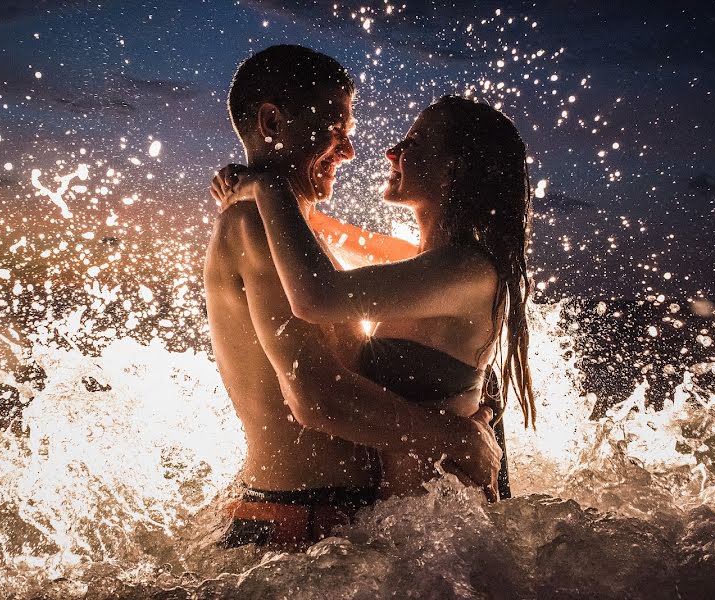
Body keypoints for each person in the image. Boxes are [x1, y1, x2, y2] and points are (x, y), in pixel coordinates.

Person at [205, 45, 501, 550]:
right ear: (273, 122)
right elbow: (318, 398)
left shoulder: (290, 236)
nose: (348, 152)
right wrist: (458, 437)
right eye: (336, 132)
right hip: (295, 522)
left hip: (325, 520)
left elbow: (340, 253)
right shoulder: (251, 224)